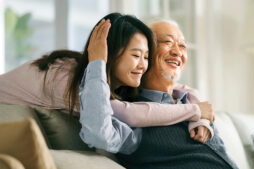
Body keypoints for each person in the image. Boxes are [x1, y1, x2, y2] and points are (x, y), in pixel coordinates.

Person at [0, 13, 213, 144]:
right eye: (136, 55)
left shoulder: (118, 87)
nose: (142, 65)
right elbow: (103, 133)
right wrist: (97, 63)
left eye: (146, 57)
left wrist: (200, 114)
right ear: (109, 53)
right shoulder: (68, 79)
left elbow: (181, 88)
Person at [114, 20, 239, 168]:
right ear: (144, 51)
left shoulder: (192, 100)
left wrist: (200, 115)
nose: (177, 52)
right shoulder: (128, 116)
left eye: (182, 46)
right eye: (167, 42)